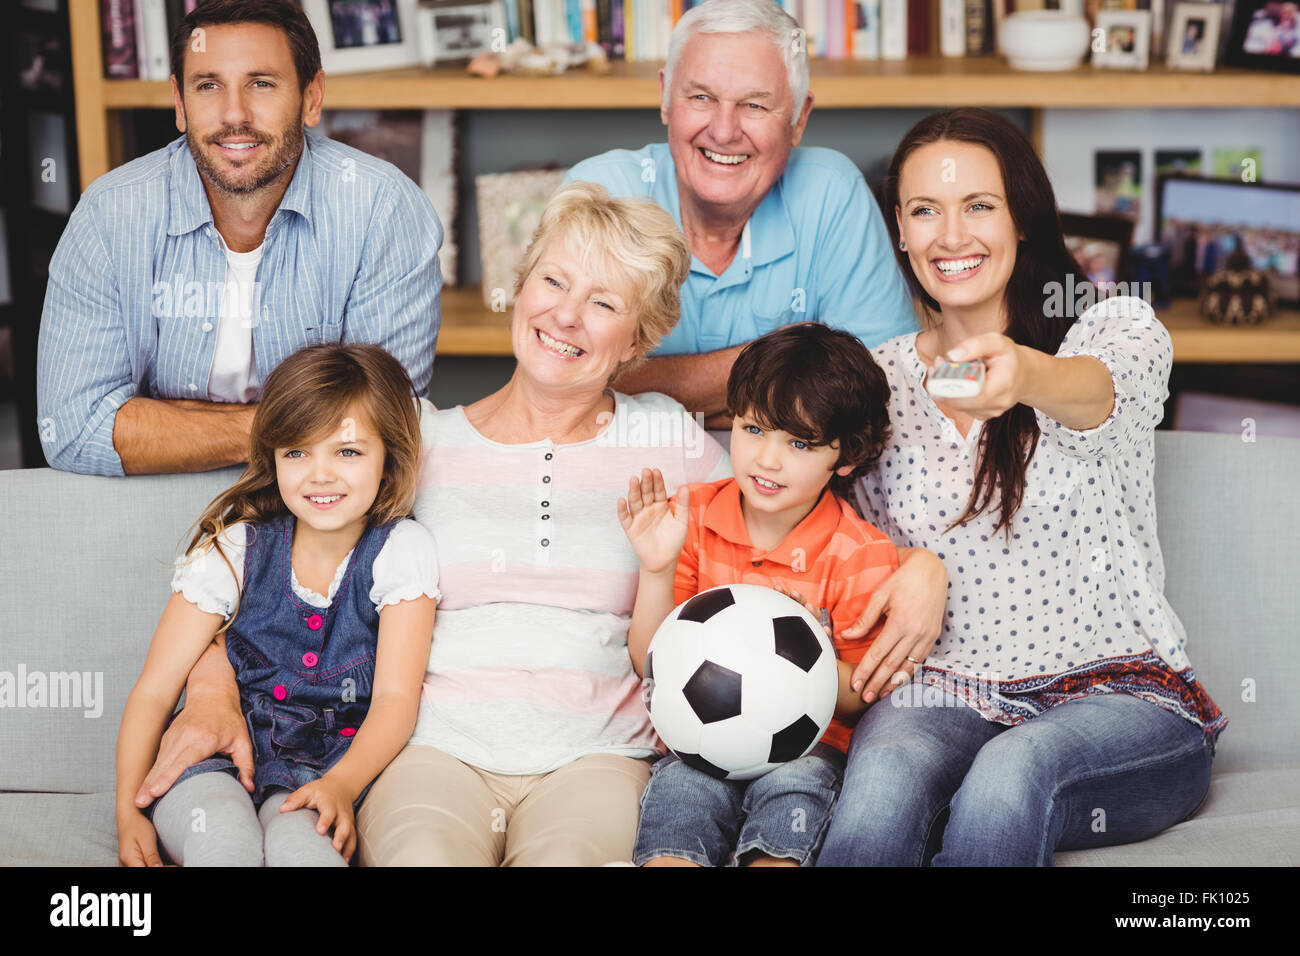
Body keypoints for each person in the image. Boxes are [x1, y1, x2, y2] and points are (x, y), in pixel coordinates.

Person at [134, 181, 733, 866]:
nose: (566, 316)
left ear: (638, 338)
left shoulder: (669, 440)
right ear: (522, 285)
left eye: (602, 303)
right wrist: (211, 686)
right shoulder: (419, 439)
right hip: (434, 751)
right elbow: (256, 555)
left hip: (599, 756)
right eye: (554, 281)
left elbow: (774, 546)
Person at [818, 108, 1227, 867]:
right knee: (877, 791)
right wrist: (915, 563)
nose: (951, 235)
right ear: (900, 233)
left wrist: (1020, 372)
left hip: (1123, 697)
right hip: (947, 689)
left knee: (1010, 775)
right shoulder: (874, 382)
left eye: (979, 205)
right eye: (924, 211)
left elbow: (1099, 396)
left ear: (1023, 220)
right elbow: (841, 542)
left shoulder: (1109, 331)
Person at [38, 0, 442, 477]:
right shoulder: (110, 214)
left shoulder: (382, 209)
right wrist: (294, 431)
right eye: (208, 86)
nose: (235, 114)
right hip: (149, 500)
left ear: (311, 99)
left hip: (321, 513)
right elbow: (71, 429)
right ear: (179, 103)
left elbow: (380, 429)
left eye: (261, 84)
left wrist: (159, 423)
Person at [116, 343, 439, 866]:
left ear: (389, 459)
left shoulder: (401, 553)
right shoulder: (236, 549)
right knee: (225, 846)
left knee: (303, 856)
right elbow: (154, 690)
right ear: (272, 458)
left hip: (324, 771)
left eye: (348, 452)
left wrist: (342, 784)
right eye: (297, 452)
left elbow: (396, 701)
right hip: (214, 761)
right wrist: (126, 811)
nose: (320, 474)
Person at [617, 323, 900, 866]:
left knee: (795, 799)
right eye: (753, 430)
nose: (767, 460)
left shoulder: (861, 553)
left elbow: (862, 694)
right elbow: (646, 661)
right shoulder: (692, 517)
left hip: (807, 755)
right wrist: (657, 570)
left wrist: (790, 667)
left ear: (844, 458)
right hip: (697, 748)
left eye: (798, 443)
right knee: (680, 798)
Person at [565, 0, 916, 426]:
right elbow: (566, 383)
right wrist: (796, 362)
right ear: (664, 98)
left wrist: (642, 389)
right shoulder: (604, 191)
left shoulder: (832, 191)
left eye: (754, 105)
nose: (724, 130)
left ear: (799, 118)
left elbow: (882, 386)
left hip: (794, 492)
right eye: (701, 97)